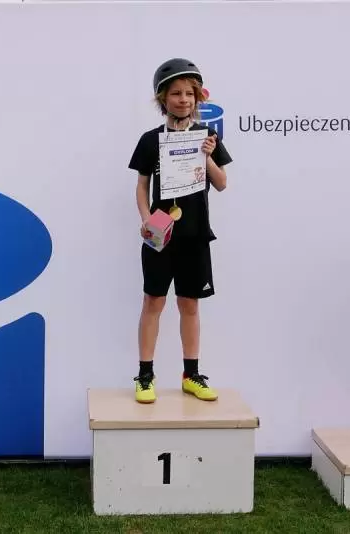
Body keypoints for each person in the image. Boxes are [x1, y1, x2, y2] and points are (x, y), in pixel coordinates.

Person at [128, 58, 232, 404]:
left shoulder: (208, 137)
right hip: (160, 233)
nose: (183, 99)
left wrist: (207, 156)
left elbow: (222, 183)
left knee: (190, 305)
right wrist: (146, 218)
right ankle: (145, 375)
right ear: (163, 98)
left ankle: (191, 374)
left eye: (189, 93)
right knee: (153, 301)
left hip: (196, 234)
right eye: (175, 93)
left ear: (197, 98)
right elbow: (142, 185)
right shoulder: (150, 140)